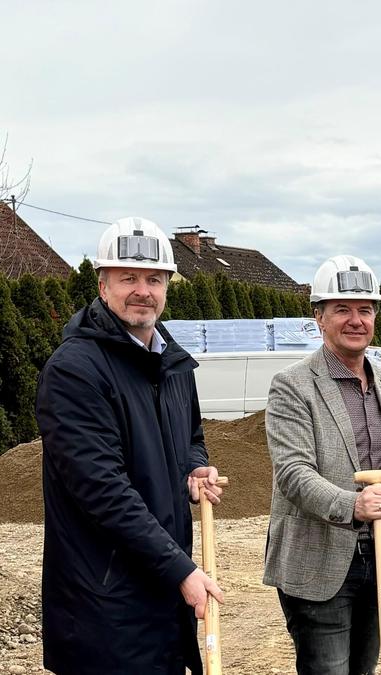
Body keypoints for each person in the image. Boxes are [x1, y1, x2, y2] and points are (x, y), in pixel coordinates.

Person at [37, 217, 224, 674]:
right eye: (128, 278)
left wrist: (193, 469)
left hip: (159, 592)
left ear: (167, 287)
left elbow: (191, 437)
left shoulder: (171, 363)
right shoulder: (74, 371)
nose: (143, 290)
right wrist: (180, 569)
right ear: (103, 286)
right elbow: (102, 489)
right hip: (104, 603)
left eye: (154, 279)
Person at [263, 255, 381, 675]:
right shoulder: (292, 386)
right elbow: (293, 474)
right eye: (342, 310)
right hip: (318, 562)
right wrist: (353, 505)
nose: (355, 320)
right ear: (319, 317)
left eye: (365, 310)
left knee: (365, 669)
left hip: (380, 558)